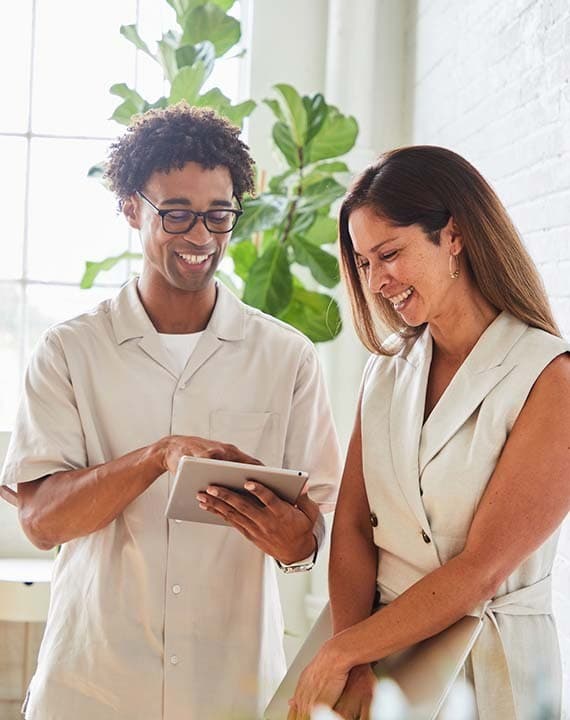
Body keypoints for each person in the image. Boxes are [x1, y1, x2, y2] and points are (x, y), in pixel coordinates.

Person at [0, 102, 341, 720]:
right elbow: (42, 521)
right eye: (177, 214)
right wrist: (159, 456)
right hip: (93, 687)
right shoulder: (70, 351)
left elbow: (320, 527)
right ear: (131, 207)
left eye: (219, 216)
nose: (201, 238)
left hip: (231, 689)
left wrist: (295, 541)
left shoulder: (285, 357)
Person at [288, 146, 570, 720]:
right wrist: (359, 661)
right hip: (382, 664)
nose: (377, 280)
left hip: (492, 670)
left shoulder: (549, 377)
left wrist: (344, 651)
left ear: (454, 236)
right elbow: (351, 526)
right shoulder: (387, 370)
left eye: (389, 254)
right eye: (365, 263)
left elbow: (482, 568)